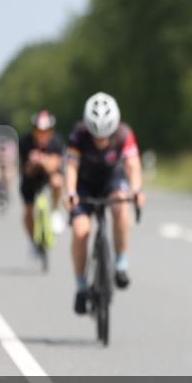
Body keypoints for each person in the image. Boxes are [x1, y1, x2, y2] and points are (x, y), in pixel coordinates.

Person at [65, 93, 145, 315]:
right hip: (84, 184)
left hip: (112, 180)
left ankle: (120, 263)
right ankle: (81, 286)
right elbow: (71, 166)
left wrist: (136, 189)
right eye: (96, 135)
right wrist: (70, 192)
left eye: (105, 135)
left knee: (120, 206)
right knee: (81, 230)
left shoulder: (124, 134)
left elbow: (133, 165)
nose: (101, 140)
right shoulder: (78, 135)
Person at [18, 110, 65, 246]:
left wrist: (42, 160)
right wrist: (33, 163)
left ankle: (55, 210)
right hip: (30, 178)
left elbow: (54, 165)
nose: (42, 135)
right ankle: (32, 242)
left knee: (57, 181)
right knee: (28, 211)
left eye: (46, 131)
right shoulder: (25, 142)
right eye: (39, 131)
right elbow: (26, 171)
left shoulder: (56, 141)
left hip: (48, 175)